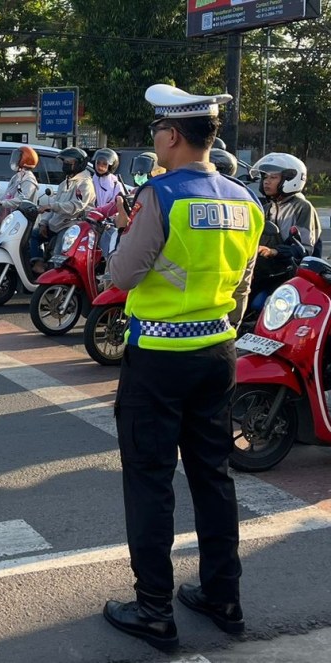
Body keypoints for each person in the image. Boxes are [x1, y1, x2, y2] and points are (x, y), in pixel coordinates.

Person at [102, 84, 264, 652]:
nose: (155, 140)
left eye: (155, 131)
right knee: (212, 476)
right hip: (218, 355)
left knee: (150, 482)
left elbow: (122, 276)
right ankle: (224, 595)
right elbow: (243, 286)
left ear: (171, 135)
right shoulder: (247, 201)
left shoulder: (160, 196)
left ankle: (153, 610)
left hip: (159, 361)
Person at [30, 147, 95, 273]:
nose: (65, 164)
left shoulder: (85, 183)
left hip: (72, 224)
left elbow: (76, 206)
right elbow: (54, 204)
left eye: (68, 161)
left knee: (57, 254)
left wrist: (52, 207)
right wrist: (44, 222)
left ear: (78, 163)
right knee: (34, 234)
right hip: (57, 223)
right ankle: (39, 264)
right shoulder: (65, 182)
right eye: (64, 161)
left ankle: (56, 283)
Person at [0, 146, 39, 225]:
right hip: (11, 217)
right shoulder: (16, 177)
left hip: (22, 221)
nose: (14, 161)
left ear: (24, 160)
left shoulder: (29, 180)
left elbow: (22, 200)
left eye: (16, 158)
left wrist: (3, 203)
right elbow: (7, 195)